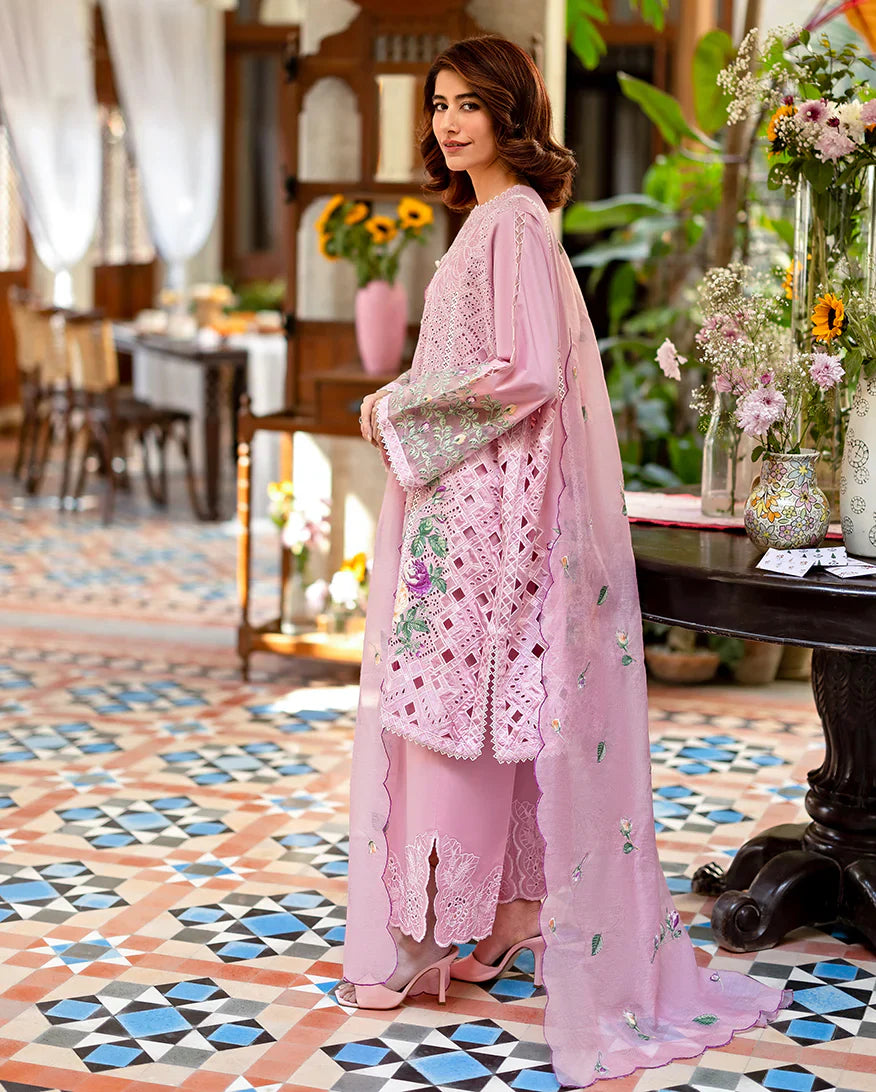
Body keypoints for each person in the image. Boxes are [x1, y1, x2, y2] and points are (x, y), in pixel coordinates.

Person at [340, 34, 790, 1088]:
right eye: (440, 104)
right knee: (470, 718)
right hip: (468, 511)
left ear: (511, 112)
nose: (450, 122)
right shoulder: (496, 221)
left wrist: (397, 405)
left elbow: (529, 372)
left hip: (482, 520)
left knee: (448, 723)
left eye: (470, 103)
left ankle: (428, 933)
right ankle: (506, 917)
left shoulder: (510, 222)